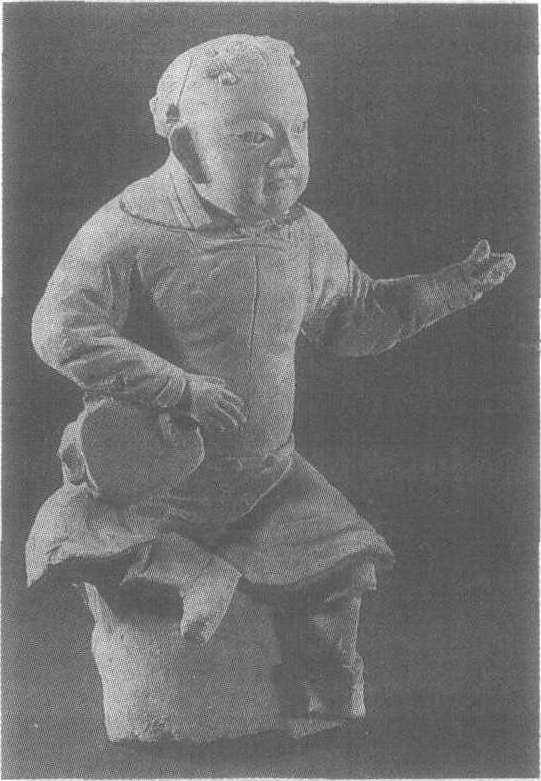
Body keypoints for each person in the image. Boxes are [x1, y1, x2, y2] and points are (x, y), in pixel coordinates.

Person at [27, 34, 515, 729]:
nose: (288, 155)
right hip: (155, 486)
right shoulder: (129, 230)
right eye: (256, 137)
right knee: (87, 542)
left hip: (267, 477)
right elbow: (59, 329)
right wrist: (177, 387)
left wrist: (441, 292)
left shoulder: (302, 234)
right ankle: (192, 575)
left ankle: (317, 695)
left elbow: (352, 317)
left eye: (299, 130)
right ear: (187, 147)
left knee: (339, 568)